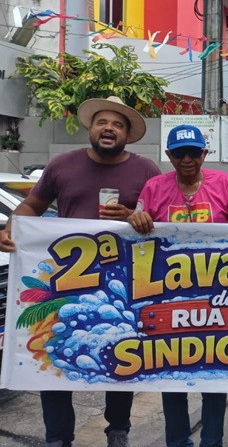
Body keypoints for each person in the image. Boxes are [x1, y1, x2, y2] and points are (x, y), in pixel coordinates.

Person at [0, 96, 161, 447]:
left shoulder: (146, 170)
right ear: (90, 127)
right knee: (53, 353)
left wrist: (135, 216)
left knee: (122, 353)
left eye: (117, 125)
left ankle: (118, 430)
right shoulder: (61, 165)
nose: (109, 128)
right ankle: (58, 438)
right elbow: (32, 205)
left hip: (124, 281)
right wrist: (8, 228)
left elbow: (160, 219)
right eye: (103, 122)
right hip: (66, 279)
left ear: (126, 134)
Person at [128, 124, 228, 447]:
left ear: (204, 154)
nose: (187, 160)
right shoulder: (154, 187)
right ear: (168, 155)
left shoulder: (224, 183)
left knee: (215, 375)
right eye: (179, 153)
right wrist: (134, 220)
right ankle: (177, 442)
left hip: (218, 300)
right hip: (169, 300)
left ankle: (212, 441)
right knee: (172, 375)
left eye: (194, 153)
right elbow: (134, 230)